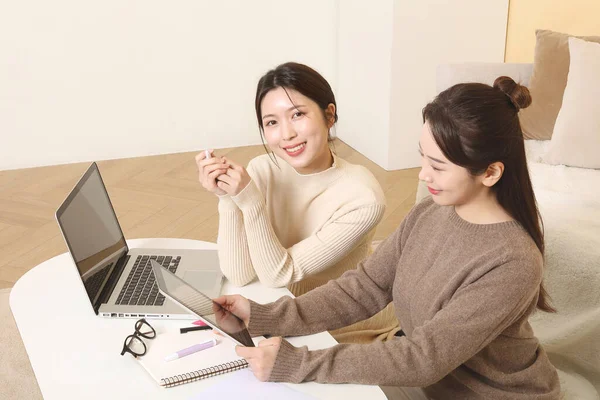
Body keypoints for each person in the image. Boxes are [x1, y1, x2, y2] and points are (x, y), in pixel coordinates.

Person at [213, 76, 561, 399]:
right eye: (423, 157)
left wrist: (300, 362)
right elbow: (366, 287)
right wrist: (265, 316)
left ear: (490, 172)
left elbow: (424, 358)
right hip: (430, 386)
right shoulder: (430, 212)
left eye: (439, 166)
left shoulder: (512, 261)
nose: (424, 175)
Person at [195, 62, 399, 344]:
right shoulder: (263, 169)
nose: (286, 134)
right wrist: (227, 199)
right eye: (272, 122)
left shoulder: (363, 198)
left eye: (298, 115)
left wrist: (250, 201)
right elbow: (239, 274)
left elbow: (278, 273)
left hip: (340, 322)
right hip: (279, 309)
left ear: (329, 116)